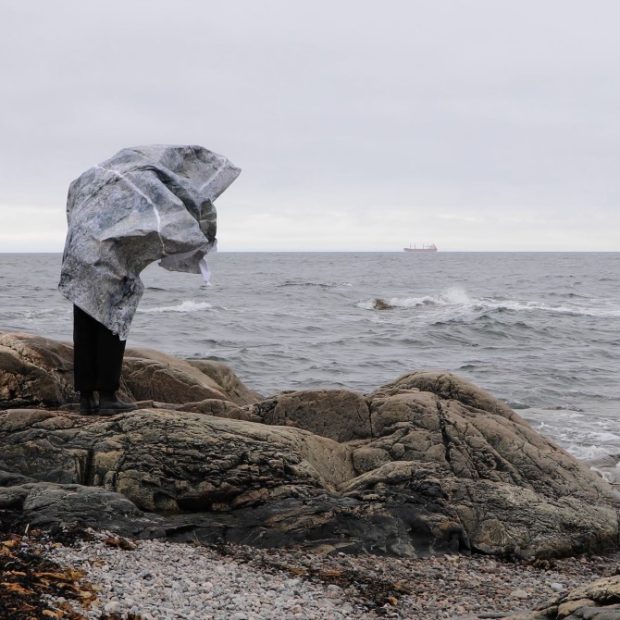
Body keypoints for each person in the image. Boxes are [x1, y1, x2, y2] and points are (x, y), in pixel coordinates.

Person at [58, 145, 241, 414]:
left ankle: (87, 397)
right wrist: (204, 234)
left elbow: (73, 204)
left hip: (78, 252)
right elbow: (176, 203)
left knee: (85, 322)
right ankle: (108, 396)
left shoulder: (95, 175)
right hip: (106, 255)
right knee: (113, 321)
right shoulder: (142, 176)